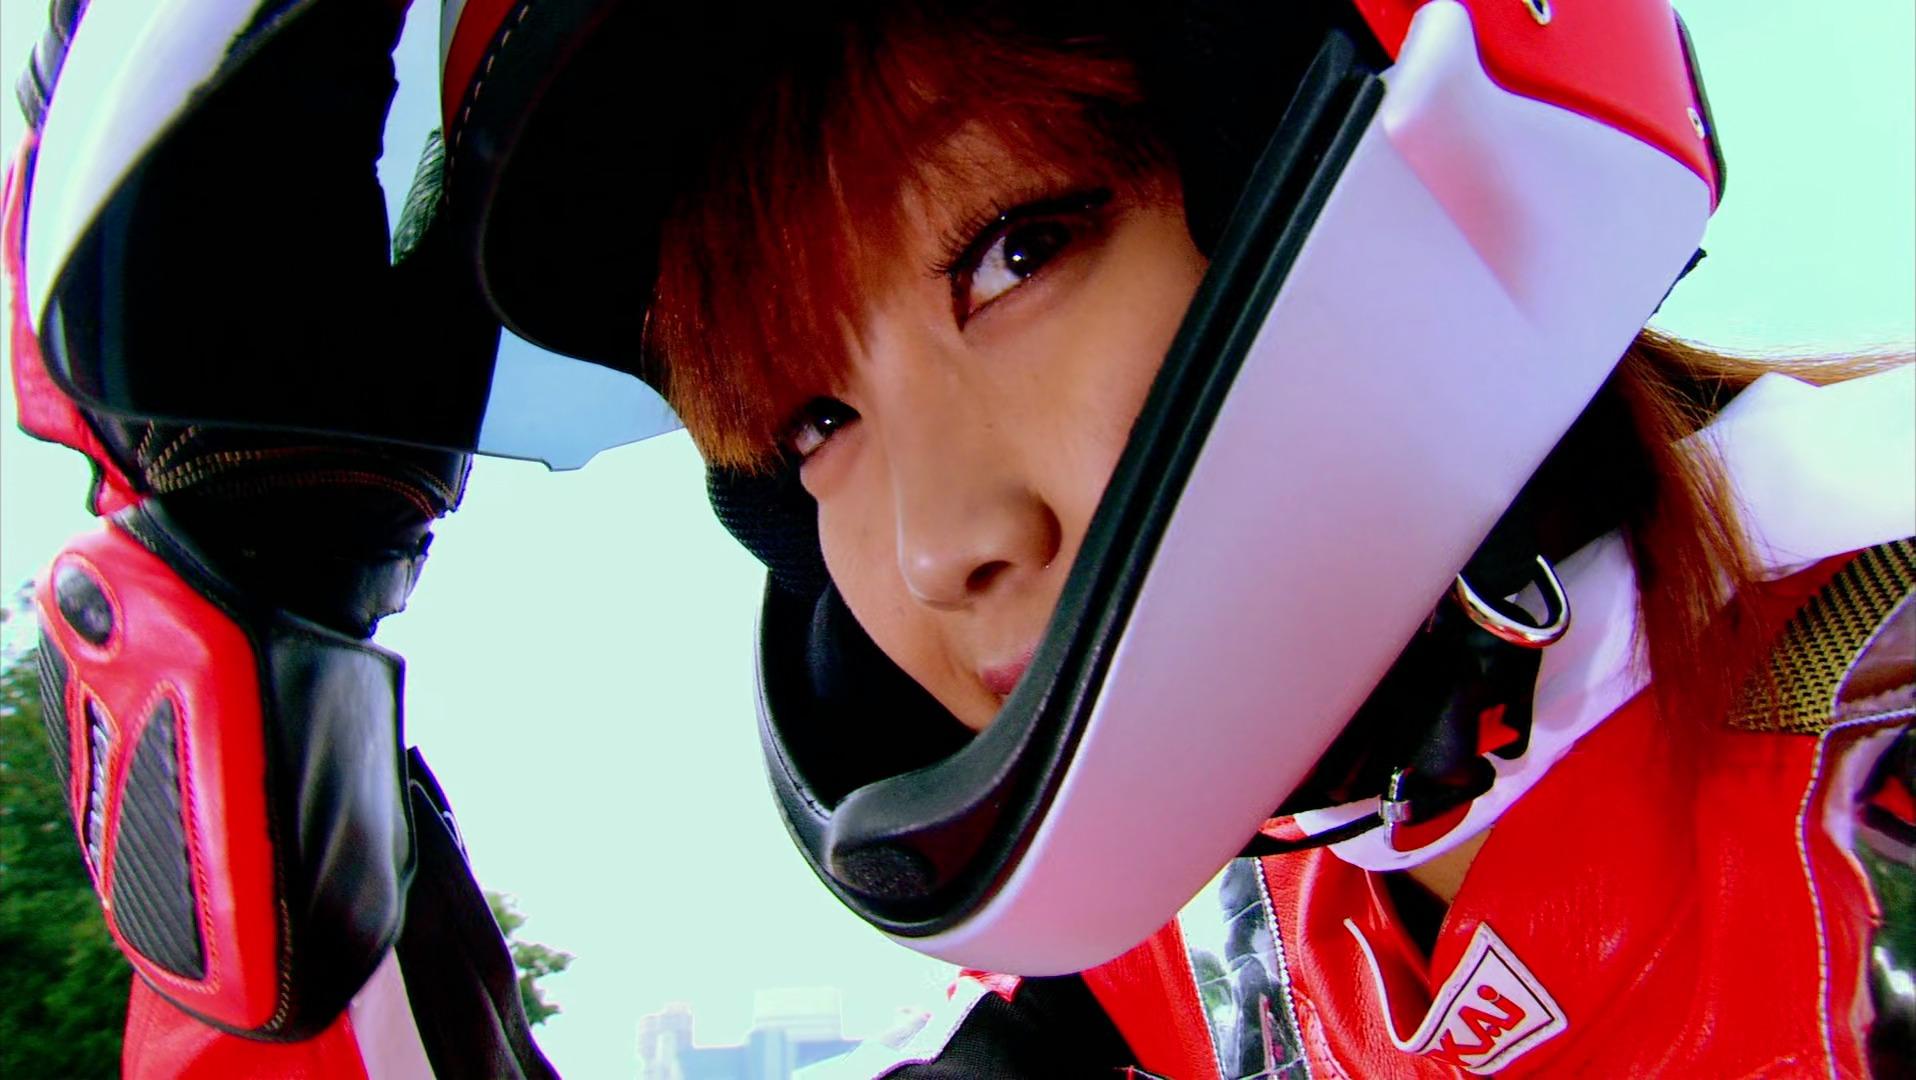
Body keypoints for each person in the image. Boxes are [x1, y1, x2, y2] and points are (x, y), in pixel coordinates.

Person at [10, 0, 1912, 1077]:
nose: (932, 549)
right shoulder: (1185, 974)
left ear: (1297, 145)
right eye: (811, 426)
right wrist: (254, 715)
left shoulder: (1864, 668)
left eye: (1015, 252)